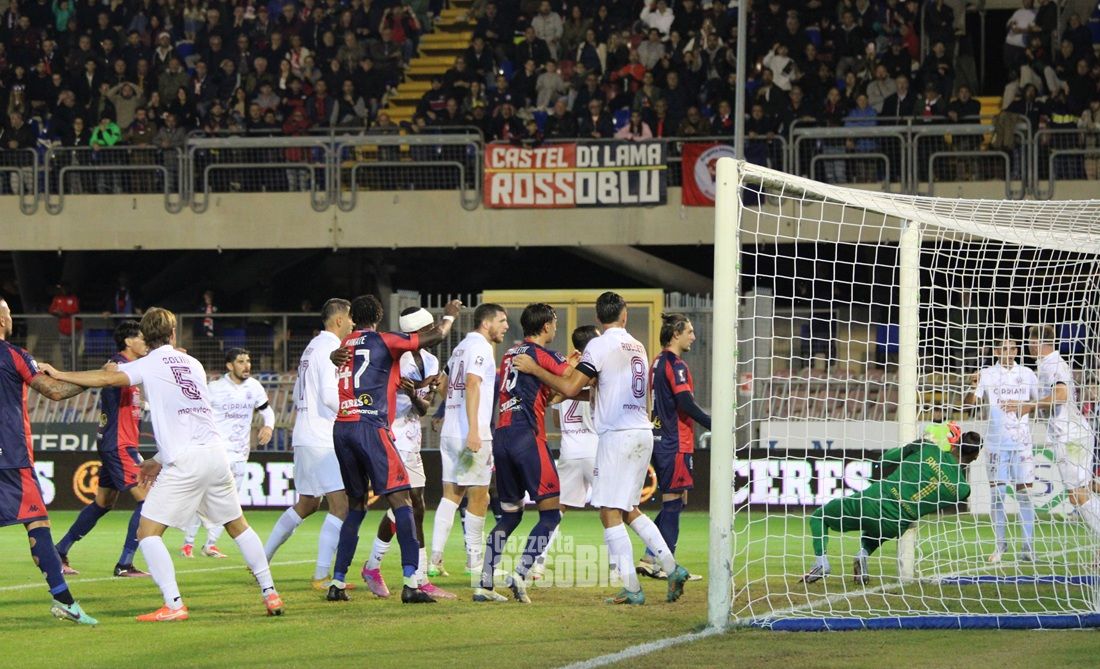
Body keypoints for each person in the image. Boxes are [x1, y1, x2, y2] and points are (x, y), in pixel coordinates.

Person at [41, 308, 284, 621]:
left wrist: (58, 373)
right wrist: (157, 460)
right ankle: (270, 592)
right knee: (238, 526)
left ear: (145, 336)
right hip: (215, 454)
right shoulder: (193, 363)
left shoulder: (149, 363)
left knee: (148, 532)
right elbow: (191, 413)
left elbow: (107, 377)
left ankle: (173, 604)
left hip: (185, 461)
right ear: (172, 333)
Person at [514, 292, 690, 605]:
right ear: (624, 315)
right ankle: (672, 567)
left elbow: (570, 386)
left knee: (608, 513)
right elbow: (603, 389)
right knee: (629, 509)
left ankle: (632, 588)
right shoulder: (636, 345)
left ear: (599, 318)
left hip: (616, 436)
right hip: (641, 432)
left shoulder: (597, 345)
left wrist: (535, 369)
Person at [326, 295, 460, 604]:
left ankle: (337, 581)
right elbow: (437, 335)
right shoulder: (386, 342)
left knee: (356, 506)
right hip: (372, 426)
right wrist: (450, 315)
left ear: (352, 318)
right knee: (403, 502)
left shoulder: (345, 345)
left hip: (343, 426)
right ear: (378, 316)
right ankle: (412, 582)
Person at [0, 296, 98, 625]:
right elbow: (54, 391)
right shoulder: (13, 355)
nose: (11, 318)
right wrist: (95, 378)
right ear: (1, 321)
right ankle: (65, 601)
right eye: (8, 313)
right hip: (10, 457)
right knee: (38, 523)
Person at [802, 423, 982, 584]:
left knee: (820, 517)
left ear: (956, 444)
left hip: (873, 501)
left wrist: (915, 445)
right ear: (975, 456)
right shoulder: (963, 490)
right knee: (879, 530)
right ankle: (863, 554)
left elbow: (884, 461)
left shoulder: (927, 448)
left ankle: (821, 563)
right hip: (895, 524)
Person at [474, 304, 569, 604]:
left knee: (510, 516)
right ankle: (521, 572)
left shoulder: (509, 354)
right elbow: (573, 381)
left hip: (502, 435)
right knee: (550, 514)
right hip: (527, 436)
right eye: (554, 323)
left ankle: (484, 584)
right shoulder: (544, 355)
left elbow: (540, 390)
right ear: (546, 326)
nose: (555, 328)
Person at [360, 307, 455, 600]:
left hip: (412, 437)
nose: (433, 333)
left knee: (412, 507)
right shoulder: (392, 357)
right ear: (420, 331)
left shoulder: (431, 361)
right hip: (389, 434)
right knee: (412, 504)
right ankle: (417, 578)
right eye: (429, 328)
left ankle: (374, 566)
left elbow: (423, 408)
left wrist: (415, 393)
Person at [264, 298, 355, 590]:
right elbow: (329, 396)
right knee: (341, 505)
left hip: (304, 435)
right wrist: (354, 410)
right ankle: (321, 575)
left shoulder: (311, 347)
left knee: (307, 503)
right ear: (339, 320)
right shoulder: (331, 348)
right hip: (322, 438)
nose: (353, 323)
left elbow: (295, 394)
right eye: (350, 318)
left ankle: (260, 561)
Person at [55, 321, 151, 578]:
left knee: (103, 502)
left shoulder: (132, 370)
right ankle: (125, 564)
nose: (146, 343)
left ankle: (59, 551)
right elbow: (106, 373)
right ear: (128, 341)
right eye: (142, 338)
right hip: (119, 444)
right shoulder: (116, 366)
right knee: (149, 500)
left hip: (116, 443)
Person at [428, 303, 509, 578]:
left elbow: (442, 383)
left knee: (451, 495)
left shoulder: (460, 347)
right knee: (479, 496)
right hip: (470, 433)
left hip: (451, 431)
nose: (505, 326)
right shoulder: (481, 347)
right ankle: (475, 562)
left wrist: (451, 409)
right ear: (486, 323)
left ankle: (435, 560)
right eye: (501, 320)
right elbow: (473, 383)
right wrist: (474, 429)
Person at [1005, 326, 1100, 543]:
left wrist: (1030, 406)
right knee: (1083, 491)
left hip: (1070, 437)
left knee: (1077, 495)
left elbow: (1061, 394)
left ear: (1035, 343)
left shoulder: (1052, 365)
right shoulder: (1048, 364)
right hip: (1073, 434)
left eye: (1029, 341)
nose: (1028, 346)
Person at [181, 348, 275, 559]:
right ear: (230, 366)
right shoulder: (214, 388)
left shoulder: (254, 387)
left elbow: (267, 410)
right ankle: (188, 542)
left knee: (230, 502)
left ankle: (210, 544)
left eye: (248, 361)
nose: (247, 365)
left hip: (240, 454)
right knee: (203, 497)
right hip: (215, 452)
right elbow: (195, 412)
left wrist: (268, 426)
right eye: (241, 361)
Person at [637, 314, 711, 580]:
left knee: (677, 502)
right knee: (673, 503)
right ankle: (669, 566)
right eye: (689, 331)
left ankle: (649, 558)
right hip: (674, 441)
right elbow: (685, 403)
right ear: (676, 334)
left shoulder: (657, 362)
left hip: (660, 438)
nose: (693, 337)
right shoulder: (675, 365)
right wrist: (714, 424)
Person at [531, 325, 600, 581]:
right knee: (613, 509)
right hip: (595, 448)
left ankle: (538, 562)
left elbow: (556, 420)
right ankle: (620, 566)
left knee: (556, 510)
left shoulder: (562, 373)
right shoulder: (595, 372)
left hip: (570, 450)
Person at [966, 338, 1039, 562]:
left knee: (1025, 495)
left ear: (1016, 350)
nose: (1009, 352)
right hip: (996, 444)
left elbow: (1040, 402)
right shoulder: (986, 374)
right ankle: (1000, 545)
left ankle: (1028, 548)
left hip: (1022, 443)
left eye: (1013, 348)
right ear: (996, 351)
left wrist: (1025, 409)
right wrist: (972, 385)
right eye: (1004, 348)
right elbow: (969, 404)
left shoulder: (1027, 373)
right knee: (998, 495)